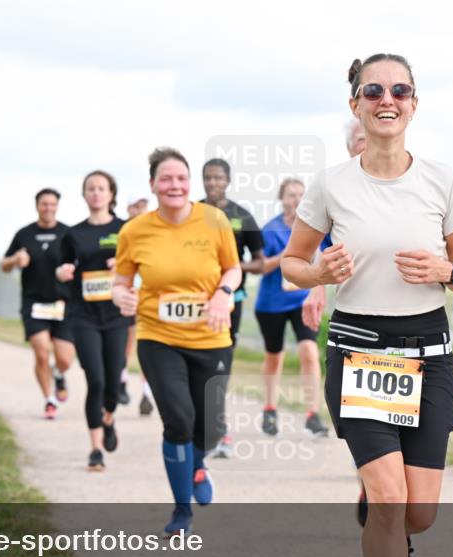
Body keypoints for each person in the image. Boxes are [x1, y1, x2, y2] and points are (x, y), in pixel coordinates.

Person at [282, 54, 453, 557]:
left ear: (414, 103)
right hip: (359, 352)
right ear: (356, 105)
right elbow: (291, 264)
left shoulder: (443, 180)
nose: (386, 99)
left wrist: (447, 271)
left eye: (399, 90)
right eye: (373, 90)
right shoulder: (331, 184)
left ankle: (381, 517)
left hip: (428, 355)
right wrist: (319, 271)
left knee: (418, 513)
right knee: (391, 500)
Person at [113, 147, 241, 535]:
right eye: (166, 179)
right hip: (159, 337)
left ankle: (198, 464)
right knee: (178, 420)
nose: (175, 185)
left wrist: (223, 293)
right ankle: (182, 511)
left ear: (190, 183)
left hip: (211, 337)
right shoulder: (135, 230)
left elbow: (233, 269)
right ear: (153, 185)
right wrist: (121, 296)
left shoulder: (214, 220)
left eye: (181, 178)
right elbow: (121, 281)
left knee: (209, 428)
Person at [56, 171, 131, 471]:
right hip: (83, 314)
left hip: (116, 315)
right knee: (95, 380)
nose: (96, 193)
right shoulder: (73, 234)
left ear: (111, 194)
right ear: (84, 194)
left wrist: (122, 264)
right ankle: (96, 449)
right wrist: (62, 273)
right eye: (91, 188)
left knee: (113, 382)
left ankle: (108, 417)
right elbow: (62, 268)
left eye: (101, 188)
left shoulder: (125, 229)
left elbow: (141, 265)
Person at [254, 178, 331, 438]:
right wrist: (287, 255)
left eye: (300, 194)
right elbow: (260, 267)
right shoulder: (271, 229)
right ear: (282, 199)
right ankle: (269, 409)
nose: (296, 199)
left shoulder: (313, 228)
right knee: (274, 357)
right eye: (290, 195)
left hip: (302, 301)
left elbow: (324, 256)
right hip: (271, 304)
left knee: (309, 352)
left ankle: (312, 415)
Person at [200, 157, 265, 456]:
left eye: (218, 177)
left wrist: (234, 267)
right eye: (208, 177)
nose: (213, 183)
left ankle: (220, 429)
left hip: (230, 302)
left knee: (220, 364)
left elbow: (260, 262)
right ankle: (200, 428)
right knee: (197, 363)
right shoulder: (193, 212)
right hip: (196, 301)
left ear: (228, 180)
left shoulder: (242, 216)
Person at [1, 188, 76, 419]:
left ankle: (58, 373)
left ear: (57, 206)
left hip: (63, 303)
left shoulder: (68, 233)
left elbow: (80, 262)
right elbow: (4, 265)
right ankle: (49, 399)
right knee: (42, 352)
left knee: (65, 359)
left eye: (52, 204)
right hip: (34, 303)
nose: (48, 208)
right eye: (44, 204)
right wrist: (15, 260)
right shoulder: (24, 234)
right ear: (37, 206)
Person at [122, 192, 155, 417]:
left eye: (143, 205)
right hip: (125, 297)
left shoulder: (153, 231)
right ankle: (122, 380)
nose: (140, 209)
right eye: (136, 206)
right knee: (127, 344)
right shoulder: (121, 231)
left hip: (148, 297)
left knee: (147, 346)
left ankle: (146, 393)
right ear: (128, 208)